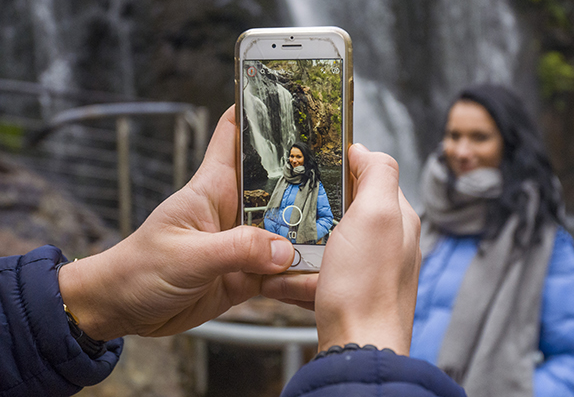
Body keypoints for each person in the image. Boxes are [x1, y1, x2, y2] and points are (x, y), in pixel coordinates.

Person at [0, 106, 466, 397]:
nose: (296, 162)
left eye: (301, 158)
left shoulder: (320, 189)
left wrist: (91, 301)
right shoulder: (281, 184)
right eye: (293, 158)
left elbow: (325, 219)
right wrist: (367, 334)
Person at [409, 84, 574, 397]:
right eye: (453, 135)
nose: (461, 151)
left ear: (511, 143)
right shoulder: (426, 219)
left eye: (479, 137)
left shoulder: (541, 240)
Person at [263, 142, 334, 244]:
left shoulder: (314, 185)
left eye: (298, 157)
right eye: (292, 156)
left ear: (306, 159)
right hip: (273, 239)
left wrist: (308, 236)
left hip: (296, 244)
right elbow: (274, 211)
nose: (294, 160)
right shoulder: (284, 179)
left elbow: (327, 219)